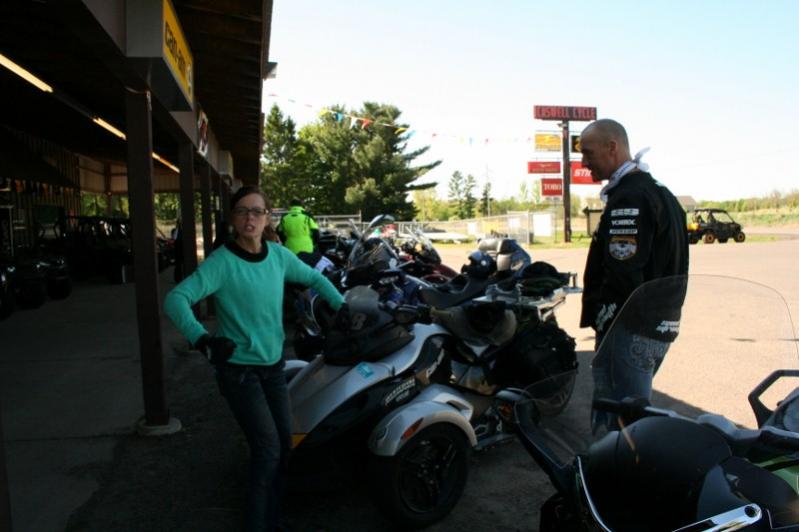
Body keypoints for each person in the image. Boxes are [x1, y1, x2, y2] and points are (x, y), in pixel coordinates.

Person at [164, 186, 344, 532]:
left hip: (273, 368)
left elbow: (315, 277)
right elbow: (176, 299)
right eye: (243, 211)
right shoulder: (222, 262)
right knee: (268, 451)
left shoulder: (278, 256)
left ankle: (272, 515)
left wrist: (342, 306)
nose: (250, 217)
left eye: (257, 211)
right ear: (233, 219)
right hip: (239, 372)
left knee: (284, 444)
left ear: (267, 218)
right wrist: (203, 339)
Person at [578, 119, 688, 434]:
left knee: (617, 425)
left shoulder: (630, 198)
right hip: (659, 326)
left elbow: (623, 271)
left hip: (630, 329)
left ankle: (608, 481)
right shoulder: (659, 192)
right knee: (632, 418)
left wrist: (605, 319)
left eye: (588, 153)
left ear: (613, 147)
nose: (584, 163)